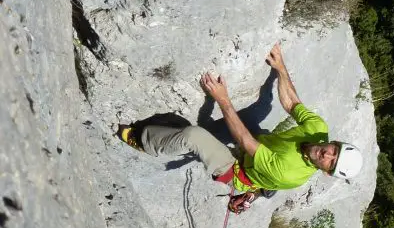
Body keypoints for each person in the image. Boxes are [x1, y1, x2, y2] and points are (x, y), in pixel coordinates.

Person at [116, 42, 362, 213]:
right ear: (335, 143)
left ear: (326, 172)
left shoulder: (289, 172)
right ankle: (261, 187)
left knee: (194, 135)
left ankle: (145, 143)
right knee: (274, 120)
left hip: (238, 169)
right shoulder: (318, 129)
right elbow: (292, 103)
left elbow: (244, 140)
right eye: (334, 151)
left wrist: (221, 98)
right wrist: (280, 68)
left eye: (331, 162)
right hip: (267, 151)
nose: (327, 154)